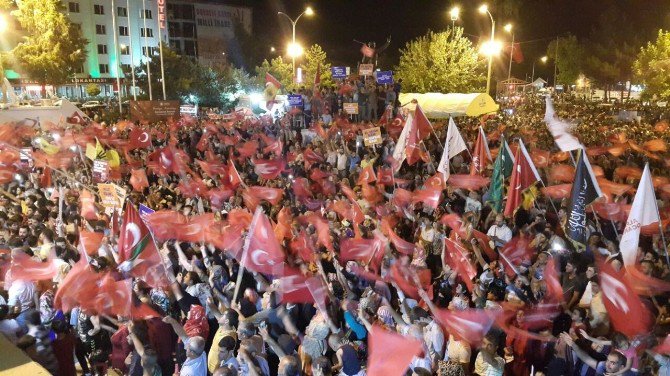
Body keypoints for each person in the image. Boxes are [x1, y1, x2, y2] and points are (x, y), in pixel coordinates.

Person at [560, 332, 631, 376]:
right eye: (608, 361)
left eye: (612, 363)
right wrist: (572, 344)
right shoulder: (602, 365)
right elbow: (586, 358)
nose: (607, 364)